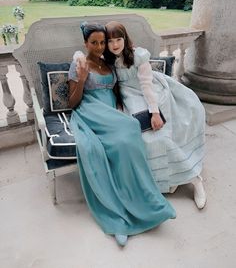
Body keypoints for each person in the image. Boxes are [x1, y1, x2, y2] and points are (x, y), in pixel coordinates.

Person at [68, 23, 176, 247]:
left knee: (130, 130)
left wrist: (119, 106)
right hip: (90, 111)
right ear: (85, 44)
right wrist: (81, 77)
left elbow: (117, 87)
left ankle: (148, 202)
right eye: (94, 43)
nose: (99, 47)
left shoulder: (108, 60)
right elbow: (72, 102)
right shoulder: (79, 63)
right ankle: (118, 216)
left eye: (101, 42)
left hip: (111, 111)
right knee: (106, 146)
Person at [104, 21, 207, 209]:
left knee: (157, 136)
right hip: (128, 99)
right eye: (110, 41)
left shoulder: (137, 56)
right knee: (139, 139)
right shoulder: (108, 59)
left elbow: (146, 86)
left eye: (119, 39)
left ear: (125, 39)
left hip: (150, 94)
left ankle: (194, 179)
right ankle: (170, 178)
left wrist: (154, 112)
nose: (115, 44)